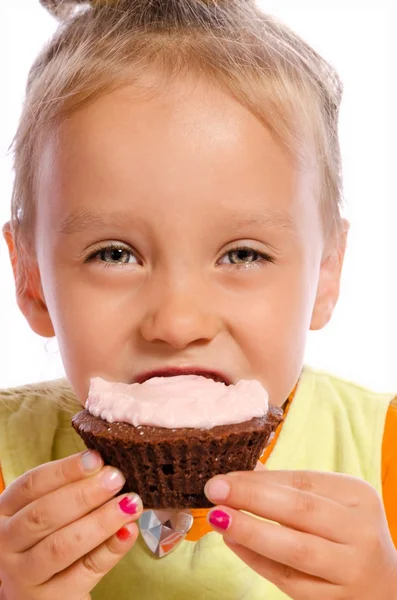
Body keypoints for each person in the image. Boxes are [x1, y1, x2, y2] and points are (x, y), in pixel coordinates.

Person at [0, 0, 396, 598]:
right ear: (31, 279)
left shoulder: (383, 453)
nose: (178, 322)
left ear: (326, 272)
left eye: (243, 255)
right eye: (113, 253)